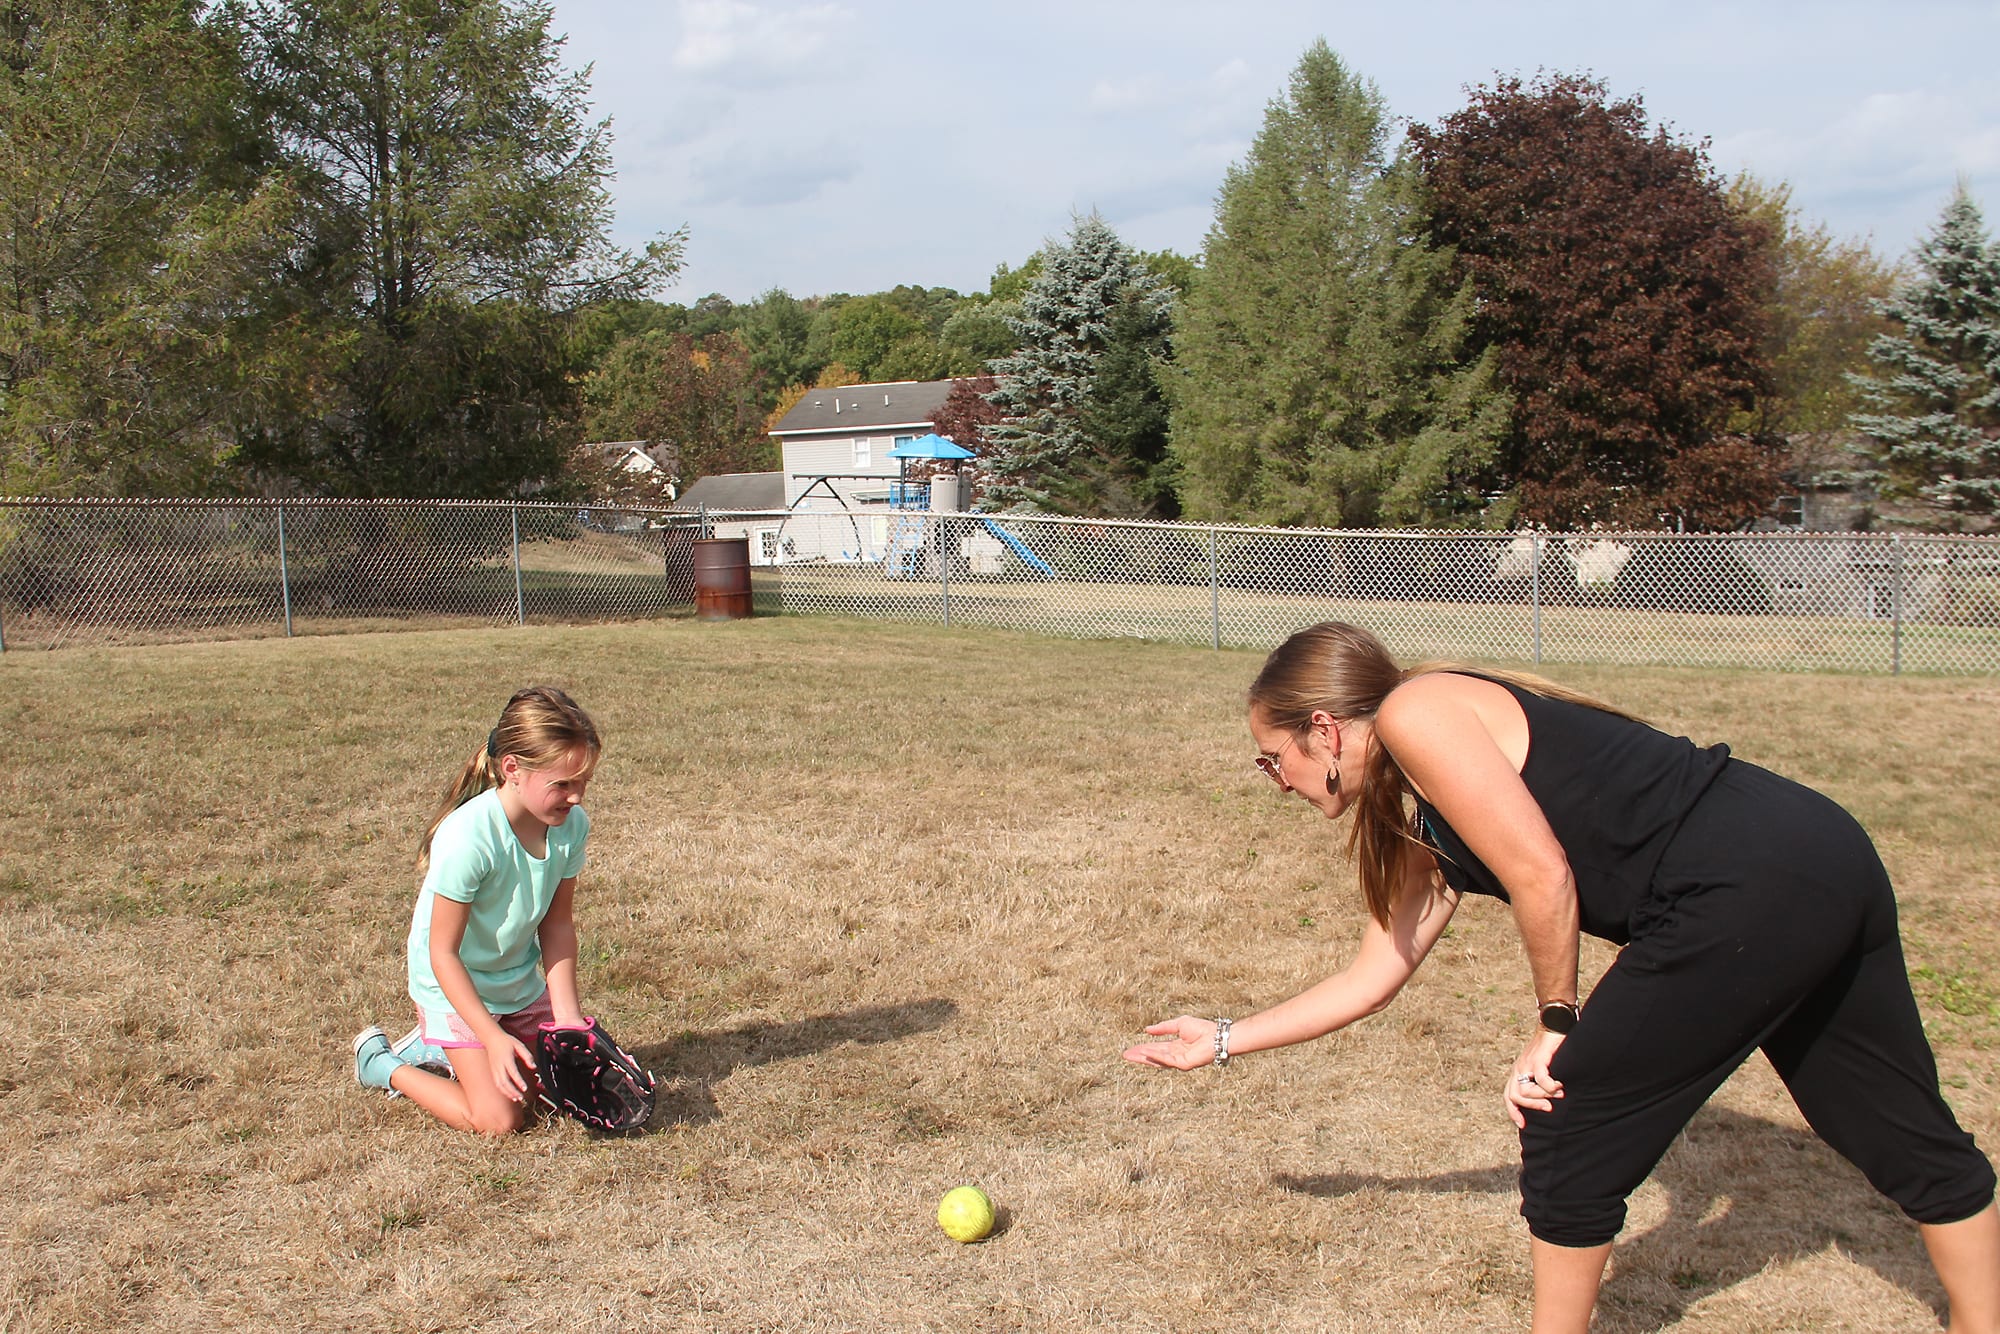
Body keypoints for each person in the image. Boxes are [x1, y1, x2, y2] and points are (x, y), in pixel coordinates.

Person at [1124, 622, 2000, 1333]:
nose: (1274, 783)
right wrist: (1225, 1038)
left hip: (1743, 882)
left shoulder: (1417, 712)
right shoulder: (1419, 818)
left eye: (1269, 758)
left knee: (1562, 1114)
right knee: (1896, 1128)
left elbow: (1545, 876)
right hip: (1819, 852)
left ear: (1322, 727)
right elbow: (1372, 976)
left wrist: (1557, 1021)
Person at [351, 685, 600, 1136]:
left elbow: (557, 922)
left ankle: (451, 1052)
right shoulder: (468, 837)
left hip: (514, 980)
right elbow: (441, 953)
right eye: (562, 784)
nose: (577, 797)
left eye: (583, 781)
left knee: (557, 1094)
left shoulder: (570, 826)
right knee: (500, 1119)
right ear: (513, 770)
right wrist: (490, 1036)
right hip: (450, 985)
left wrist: (567, 1019)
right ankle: (387, 1065)